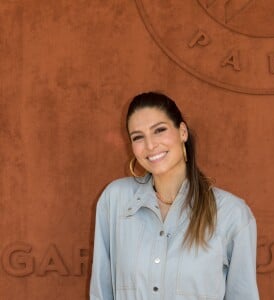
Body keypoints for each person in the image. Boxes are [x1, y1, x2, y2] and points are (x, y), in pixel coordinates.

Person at [90, 92, 259, 300]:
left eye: (159, 130)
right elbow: (101, 292)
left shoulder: (232, 214)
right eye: (138, 137)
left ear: (182, 132)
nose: (150, 145)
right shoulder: (114, 201)